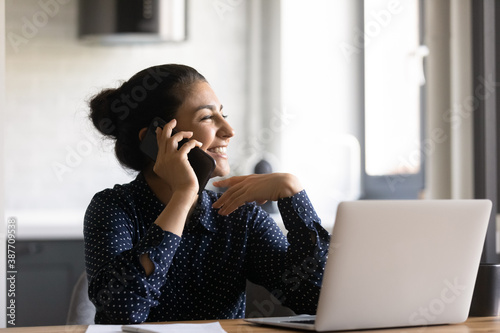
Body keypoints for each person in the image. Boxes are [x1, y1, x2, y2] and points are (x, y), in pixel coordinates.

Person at [84, 64, 330, 324]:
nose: (228, 130)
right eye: (207, 117)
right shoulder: (113, 208)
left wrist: (293, 193)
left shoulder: (238, 214)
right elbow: (123, 312)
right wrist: (183, 194)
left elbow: (316, 299)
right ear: (156, 139)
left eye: (223, 115)